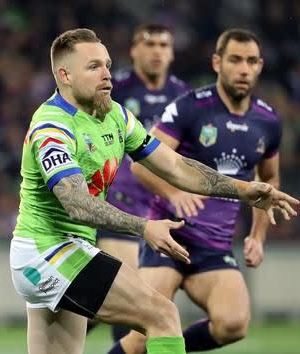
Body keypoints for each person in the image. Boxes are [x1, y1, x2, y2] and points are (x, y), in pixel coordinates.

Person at [10, 28, 299, 354]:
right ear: (64, 75)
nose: (107, 74)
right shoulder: (53, 126)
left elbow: (176, 166)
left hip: (67, 250)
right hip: (47, 253)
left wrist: (244, 190)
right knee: (162, 315)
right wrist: (143, 226)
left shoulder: (115, 115)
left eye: (107, 64)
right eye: (93, 67)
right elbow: (77, 203)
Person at [111, 29, 285, 353]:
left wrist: (258, 235)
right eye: (235, 60)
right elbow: (140, 164)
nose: (243, 69)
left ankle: (167, 346)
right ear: (218, 63)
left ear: (260, 66)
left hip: (214, 247)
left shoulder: (269, 121)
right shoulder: (189, 107)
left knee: (234, 324)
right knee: (139, 337)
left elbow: (269, 182)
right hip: (169, 237)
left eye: (250, 61)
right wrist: (175, 194)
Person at [93, 23, 190, 341]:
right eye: (149, 44)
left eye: (164, 45)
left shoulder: (183, 97)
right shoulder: (113, 88)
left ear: (172, 53)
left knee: (120, 301)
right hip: (120, 204)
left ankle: (74, 313)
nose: (157, 51)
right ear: (134, 50)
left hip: (161, 210)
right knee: (133, 301)